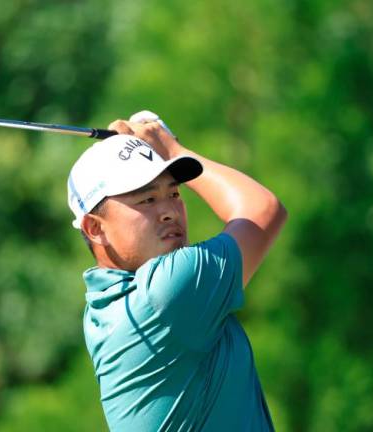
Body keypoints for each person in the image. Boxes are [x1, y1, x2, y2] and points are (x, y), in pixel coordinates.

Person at [67, 110, 287, 431]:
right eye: (146, 200)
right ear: (94, 228)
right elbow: (262, 210)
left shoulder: (102, 304)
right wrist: (171, 149)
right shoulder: (166, 294)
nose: (169, 211)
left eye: (173, 193)